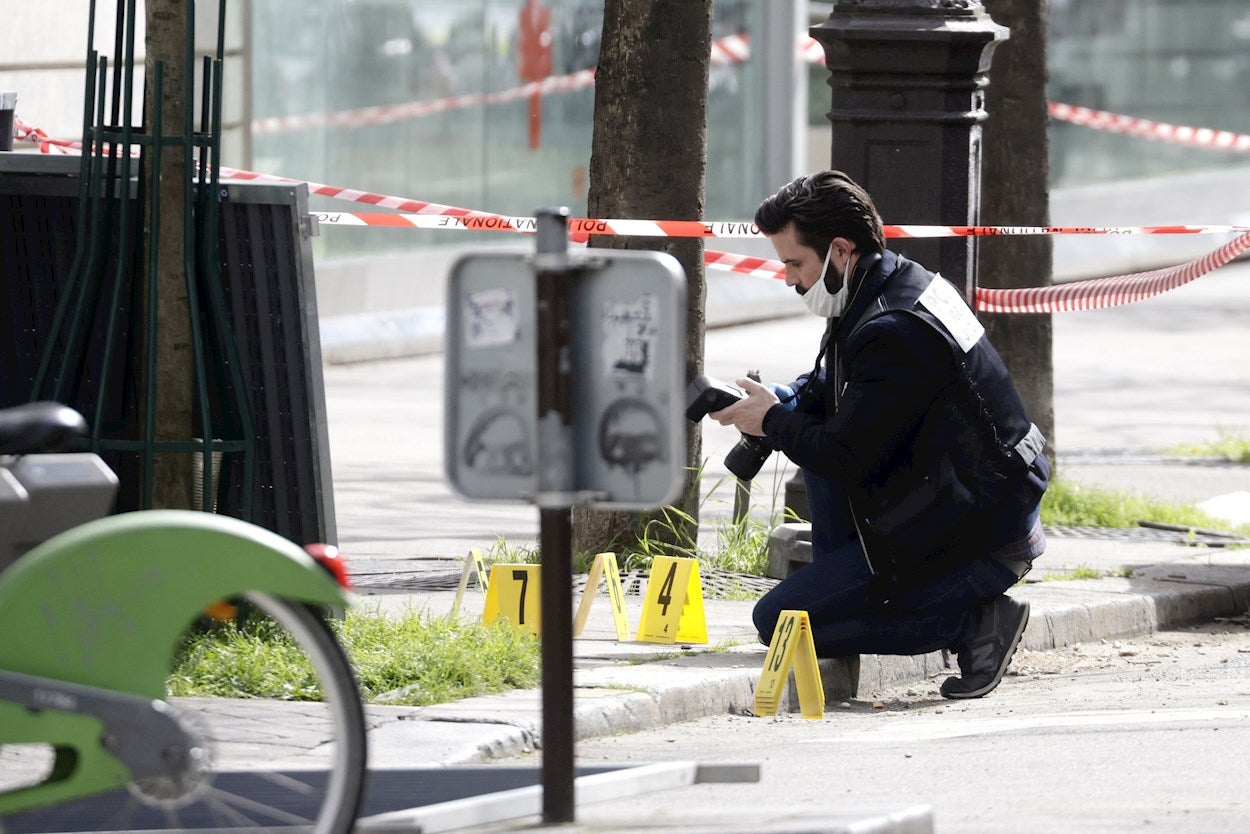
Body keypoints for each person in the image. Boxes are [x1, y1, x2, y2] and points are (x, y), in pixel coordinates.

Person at [707, 171, 1049, 699]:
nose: (791, 280)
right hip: (954, 501)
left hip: (980, 532)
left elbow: (845, 454)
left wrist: (772, 422)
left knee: (778, 621)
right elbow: (837, 385)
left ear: (840, 251)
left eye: (795, 263)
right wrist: (783, 398)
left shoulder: (894, 328)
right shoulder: (888, 286)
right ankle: (850, 588)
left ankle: (974, 624)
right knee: (811, 433)